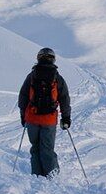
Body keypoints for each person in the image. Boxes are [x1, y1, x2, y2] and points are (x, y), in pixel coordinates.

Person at [17, 47, 71, 179]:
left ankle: (37, 176)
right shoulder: (57, 78)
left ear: (38, 58)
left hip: (32, 118)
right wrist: (66, 117)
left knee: (35, 148)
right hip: (49, 120)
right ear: (53, 59)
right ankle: (52, 176)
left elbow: (23, 97)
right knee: (47, 149)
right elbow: (64, 98)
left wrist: (23, 116)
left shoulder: (31, 76)